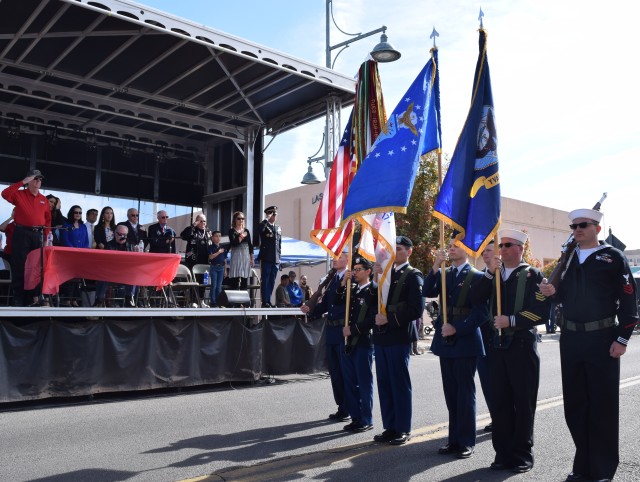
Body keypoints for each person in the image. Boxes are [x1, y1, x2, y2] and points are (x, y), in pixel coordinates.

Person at [540, 209, 638, 482]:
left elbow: (630, 303)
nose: (577, 229)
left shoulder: (612, 257)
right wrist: (552, 293)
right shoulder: (569, 258)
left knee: (602, 406)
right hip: (571, 339)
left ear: (597, 227)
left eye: (583, 225)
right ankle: (582, 465)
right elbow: (560, 297)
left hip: (602, 339)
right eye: (574, 226)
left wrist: (622, 338)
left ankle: (603, 470)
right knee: (576, 405)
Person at [473, 229, 550, 474]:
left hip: (521, 345)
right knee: (500, 402)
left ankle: (522, 455)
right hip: (496, 347)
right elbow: (475, 298)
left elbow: (541, 312)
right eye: (501, 245)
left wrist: (513, 321)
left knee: (523, 402)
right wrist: (487, 273)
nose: (503, 249)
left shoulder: (532, 274)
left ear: (520, 249)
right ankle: (503, 453)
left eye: (508, 245)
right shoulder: (493, 275)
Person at [423, 239, 487, 459]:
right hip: (446, 339)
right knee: (451, 394)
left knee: (464, 393)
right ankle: (454, 440)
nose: (450, 248)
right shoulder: (444, 273)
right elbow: (428, 290)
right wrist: (434, 265)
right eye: (449, 245)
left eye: (456, 245)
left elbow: (481, 313)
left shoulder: (477, 277)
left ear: (468, 250)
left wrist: (457, 329)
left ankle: (467, 441)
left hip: (465, 339)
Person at [372, 236, 424, 446]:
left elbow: (415, 309)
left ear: (409, 252)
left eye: (400, 249)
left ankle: (403, 428)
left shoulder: (414, 275)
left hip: (398, 333)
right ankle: (390, 426)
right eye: (393, 249)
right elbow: (372, 301)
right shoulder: (384, 273)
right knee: (384, 382)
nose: (395, 252)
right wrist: (375, 281)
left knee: (399, 383)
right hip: (382, 334)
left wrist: (389, 319)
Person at [300, 252, 349, 422]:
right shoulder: (333, 279)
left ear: (347, 260)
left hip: (344, 329)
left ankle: (350, 407)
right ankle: (342, 407)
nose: (336, 259)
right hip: (332, 330)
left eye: (340, 257)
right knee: (335, 372)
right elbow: (326, 304)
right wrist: (311, 309)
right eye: (335, 257)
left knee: (345, 371)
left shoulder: (352, 279)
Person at [336, 257, 377, 434]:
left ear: (368, 272)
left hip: (362, 341)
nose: (355, 272)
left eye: (359, 269)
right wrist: (343, 282)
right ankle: (355, 417)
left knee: (363, 382)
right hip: (348, 342)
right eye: (354, 269)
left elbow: (372, 319)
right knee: (350, 382)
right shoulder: (352, 290)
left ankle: (366, 419)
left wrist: (353, 329)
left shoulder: (373, 291)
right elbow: (337, 301)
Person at [1, 169, 51, 306]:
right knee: (20, 265)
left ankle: (34, 297)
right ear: (29, 180)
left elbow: (47, 221)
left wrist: (46, 238)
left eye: (40, 179)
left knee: (36, 266)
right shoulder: (20, 194)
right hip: (22, 233)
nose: (38, 181)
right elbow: (5, 194)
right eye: (35, 178)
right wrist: (23, 182)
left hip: (38, 235)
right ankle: (18, 296)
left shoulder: (44, 200)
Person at [478, 241, 496, 432]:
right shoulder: (482, 275)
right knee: (487, 381)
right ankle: (495, 415)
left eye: (489, 250)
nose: (485, 254)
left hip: (502, 335)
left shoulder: (507, 274)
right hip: (483, 336)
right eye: (483, 251)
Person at [94, 225, 135, 307]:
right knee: (102, 275)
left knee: (134, 274)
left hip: (125, 274)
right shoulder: (109, 245)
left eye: (124, 235)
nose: (122, 237)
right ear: (114, 234)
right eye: (120, 234)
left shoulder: (131, 246)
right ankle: (99, 300)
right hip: (111, 274)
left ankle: (129, 298)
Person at [60, 205, 90, 306]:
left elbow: (86, 241)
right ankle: (67, 299)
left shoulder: (83, 226)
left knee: (78, 278)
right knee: (70, 278)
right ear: (72, 213)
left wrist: (83, 251)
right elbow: (65, 239)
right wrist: (73, 250)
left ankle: (75, 299)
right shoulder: (66, 224)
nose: (78, 214)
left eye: (80, 213)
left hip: (81, 256)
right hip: (69, 255)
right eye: (76, 212)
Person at [256, 206, 281, 307]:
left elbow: (279, 245)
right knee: (265, 280)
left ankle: (269, 300)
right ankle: (264, 301)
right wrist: (266, 219)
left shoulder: (278, 227)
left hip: (275, 258)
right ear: (268, 214)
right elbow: (259, 230)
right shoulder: (264, 225)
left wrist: (280, 259)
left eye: (275, 214)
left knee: (272, 280)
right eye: (272, 214)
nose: (274, 216)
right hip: (266, 258)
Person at [228, 211, 253, 290]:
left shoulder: (247, 231)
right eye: (239, 218)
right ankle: (235, 301)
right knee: (235, 279)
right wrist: (241, 236)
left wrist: (252, 258)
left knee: (244, 280)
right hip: (236, 255)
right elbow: (233, 243)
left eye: (243, 218)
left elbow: (250, 245)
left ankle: (243, 301)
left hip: (245, 256)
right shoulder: (232, 231)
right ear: (235, 220)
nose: (241, 220)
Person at [208, 230, 226, 307]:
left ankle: (219, 301)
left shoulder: (222, 247)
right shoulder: (210, 247)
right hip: (214, 267)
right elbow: (211, 257)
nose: (218, 238)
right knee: (214, 285)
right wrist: (218, 252)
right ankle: (213, 301)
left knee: (219, 286)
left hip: (221, 267)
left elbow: (224, 259)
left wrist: (225, 270)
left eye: (219, 236)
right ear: (212, 238)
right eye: (216, 236)